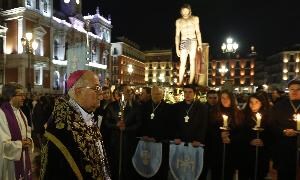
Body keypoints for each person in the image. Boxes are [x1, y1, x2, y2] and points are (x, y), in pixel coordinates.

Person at [40, 70, 111, 179]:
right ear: (78, 91)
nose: (101, 96)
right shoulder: (61, 128)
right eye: (96, 89)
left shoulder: (87, 117)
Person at [104, 85, 142, 180]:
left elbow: (139, 123)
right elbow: (106, 122)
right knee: (115, 164)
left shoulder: (136, 106)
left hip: (129, 142)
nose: (130, 93)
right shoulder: (112, 106)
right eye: (127, 91)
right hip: (115, 141)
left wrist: (127, 128)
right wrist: (116, 125)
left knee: (128, 165)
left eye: (130, 91)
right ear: (121, 93)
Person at [0, 82, 33, 180]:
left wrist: (29, 140)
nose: (24, 98)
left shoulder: (20, 113)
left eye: (24, 95)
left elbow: (27, 131)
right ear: (11, 96)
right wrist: (20, 144)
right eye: (20, 95)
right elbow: (2, 143)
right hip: (9, 161)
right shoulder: (2, 114)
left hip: (22, 156)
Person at [137, 85, 171, 179]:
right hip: (147, 143)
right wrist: (144, 135)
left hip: (161, 143)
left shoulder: (168, 108)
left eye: (158, 94)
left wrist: (156, 138)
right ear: (151, 95)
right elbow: (141, 123)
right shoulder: (144, 107)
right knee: (148, 168)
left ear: (163, 94)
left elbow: (169, 127)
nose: (156, 96)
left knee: (161, 169)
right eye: (154, 94)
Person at [271, 79, 300, 179]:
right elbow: (272, 125)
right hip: (284, 148)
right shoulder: (279, 106)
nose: (295, 92)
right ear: (288, 90)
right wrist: (283, 131)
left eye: (298, 89)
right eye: (292, 89)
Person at [175, 3, 203, 85]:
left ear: (189, 11)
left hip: (193, 40)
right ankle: (180, 83)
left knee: (192, 61)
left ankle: (190, 82)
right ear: (181, 11)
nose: (185, 13)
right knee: (182, 62)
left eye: (186, 11)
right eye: (183, 11)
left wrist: (200, 44)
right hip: (184, 41)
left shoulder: (195, 19)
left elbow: (198, 32)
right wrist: (177, 48)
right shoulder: (178, 21)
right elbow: (177, 35)